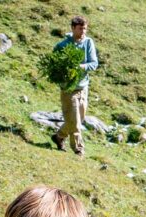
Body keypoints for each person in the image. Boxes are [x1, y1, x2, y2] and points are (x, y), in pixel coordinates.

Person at [51, 16, 99, 157]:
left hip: (83, 87)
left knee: (79, 118)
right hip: (68, 89)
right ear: (73, 28)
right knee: (76, 122)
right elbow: (55, 66)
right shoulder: (62, 46)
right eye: (80, 28)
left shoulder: (88, 42)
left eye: (85, 28)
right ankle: (79, 150)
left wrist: (80, 67)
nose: (83, 31)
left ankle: (59, 136)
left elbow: (94, 63)